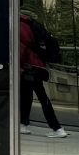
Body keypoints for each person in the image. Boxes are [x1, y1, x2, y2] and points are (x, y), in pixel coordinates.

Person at [19, 10, 67, 139]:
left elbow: (22, 46)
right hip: (34, 64)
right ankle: (23, 124)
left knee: (40, 96)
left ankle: (57, 128)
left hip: (30, 65)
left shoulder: (20, 24)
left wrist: (19, 64)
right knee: (28, 95)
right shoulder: (28, 21)